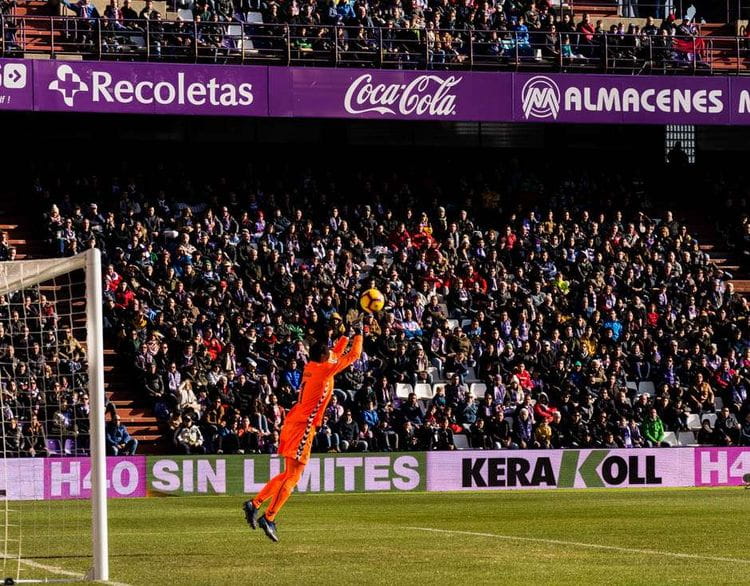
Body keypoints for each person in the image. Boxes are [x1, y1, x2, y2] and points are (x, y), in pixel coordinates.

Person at [243, 332, 362, 542]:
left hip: (294, 420)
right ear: (325, 357)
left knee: (287, 474)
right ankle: (268, 517)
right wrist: (360, 334)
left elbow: (335, 352)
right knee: (293, 477)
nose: (332, 356)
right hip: (303, 426)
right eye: (330, 355)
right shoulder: (325, 371)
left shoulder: (312, 366)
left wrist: (345, 335)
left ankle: (254, 503)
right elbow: (354, 355)